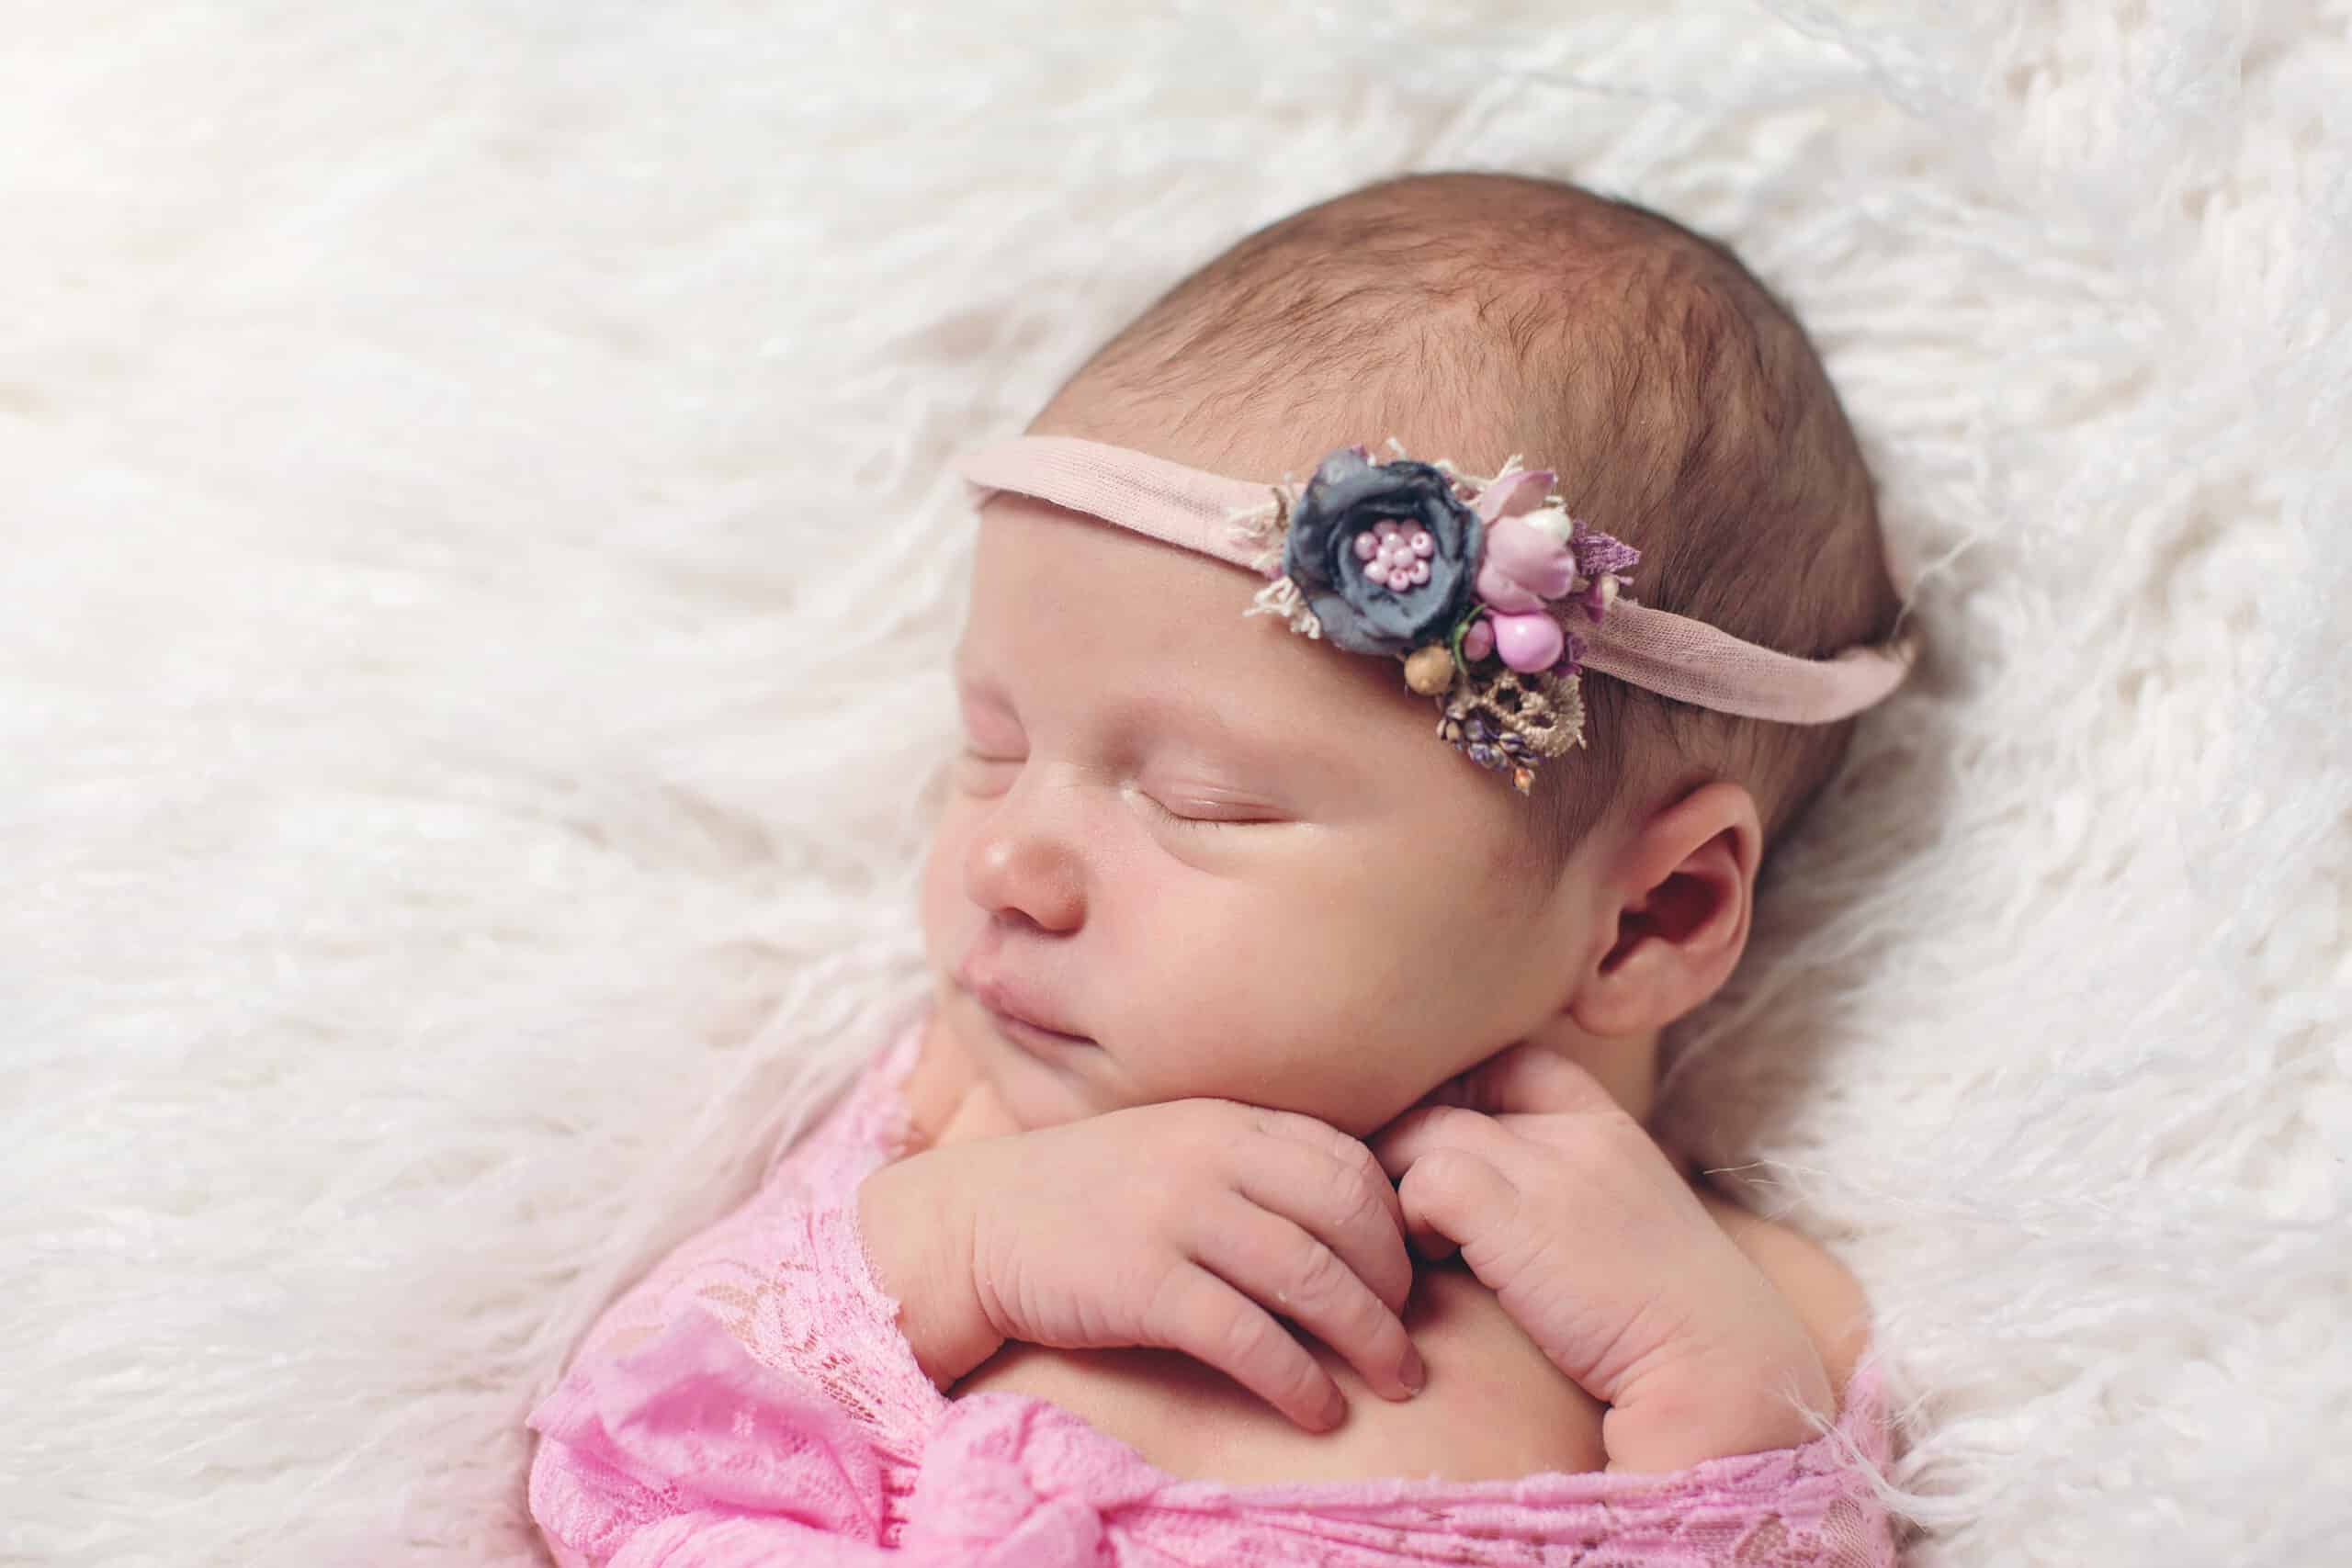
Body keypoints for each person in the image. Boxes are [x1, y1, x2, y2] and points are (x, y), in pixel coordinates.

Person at [525, 170, 1917, 1565]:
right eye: (992, 748)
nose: (1008, 860)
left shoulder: (1747, 1318)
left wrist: (1726, 1419)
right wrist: (944, 1258)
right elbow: (625, 1472)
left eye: (1201, 803)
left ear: (1649, 917)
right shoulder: (970, 1137)